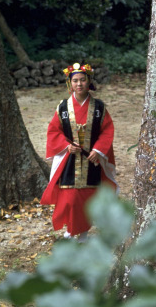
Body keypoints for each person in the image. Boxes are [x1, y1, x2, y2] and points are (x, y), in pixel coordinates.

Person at [40, 62, 117, 241]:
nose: (79, 84)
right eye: (75, 80)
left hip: (92, 160)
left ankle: (82, 233)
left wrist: (98, 149)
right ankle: (70, 230)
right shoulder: (63, 108)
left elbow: (107, 130)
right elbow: (53, 131)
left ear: (89, 81)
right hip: (70, 161)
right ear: (70, 83)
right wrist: (66, 146)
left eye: (83, 80)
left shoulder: (99, 107)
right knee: (70, 198)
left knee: (88, 197)